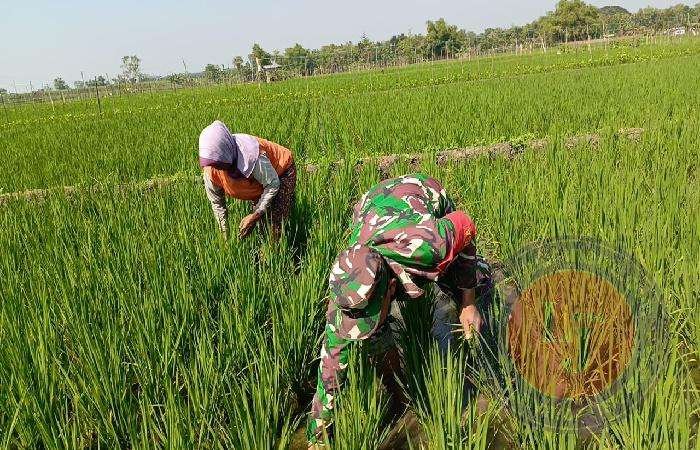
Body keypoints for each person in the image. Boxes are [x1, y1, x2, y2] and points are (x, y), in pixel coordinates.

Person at [307, 174, 492, 447]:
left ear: (391, 288)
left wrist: (468, 303)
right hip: (371, 207)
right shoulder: (347, 291)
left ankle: (480, 348)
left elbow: (465, 224)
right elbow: (330, 371)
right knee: (373, 335)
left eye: (372, 315)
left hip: (421, 196)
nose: (362, 327)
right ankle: (399, 394)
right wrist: (318, 438)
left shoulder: (429, 246)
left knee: (479, 281)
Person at [198, 120, 296, 239]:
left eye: (219, 164)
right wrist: (225, 237)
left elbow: (272, 184)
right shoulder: (210, 170)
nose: (217, 168)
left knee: (275, 224)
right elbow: (217, 204)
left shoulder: (250, 157)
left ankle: (277, 248)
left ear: (226, 152)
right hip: (259, 183)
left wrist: (255, 214)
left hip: (281, 171)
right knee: (262, 225)